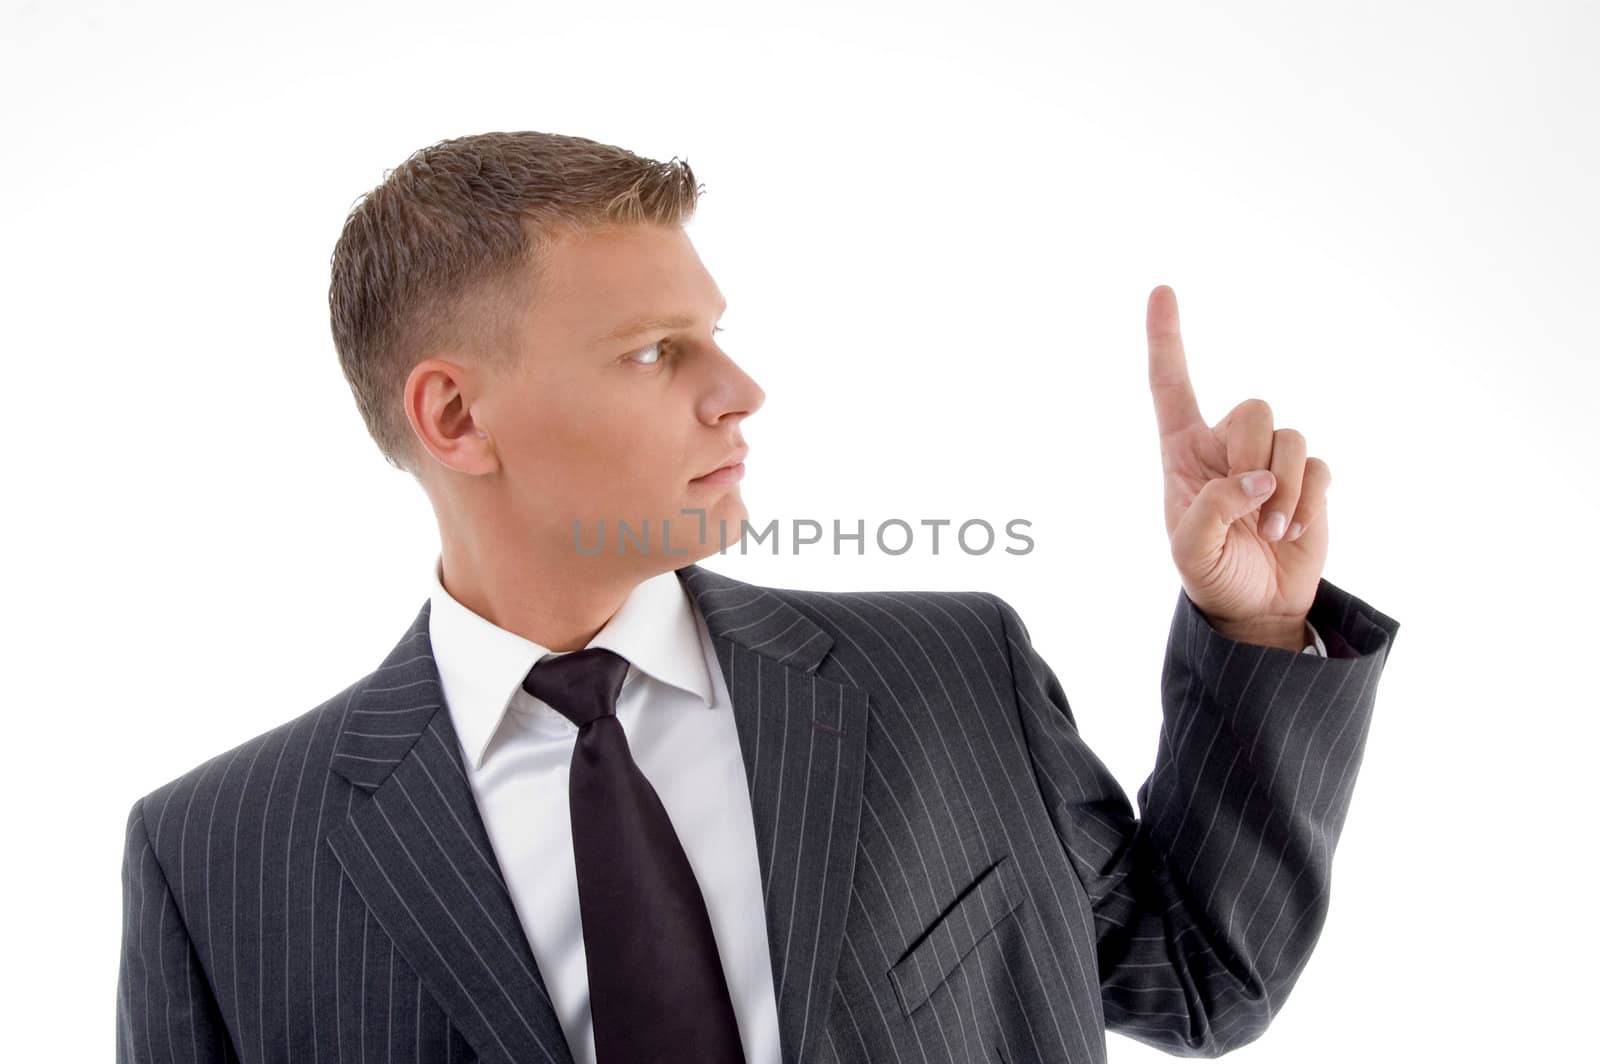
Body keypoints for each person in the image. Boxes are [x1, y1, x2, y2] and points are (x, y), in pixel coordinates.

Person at [115, 131, 1400, 1064]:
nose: (738, 387)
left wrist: (1255, 624)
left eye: (714, 331)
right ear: (456, 414)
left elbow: (1198, 977)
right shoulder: (221, 856)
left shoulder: (949, 671)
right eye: (655, 350)